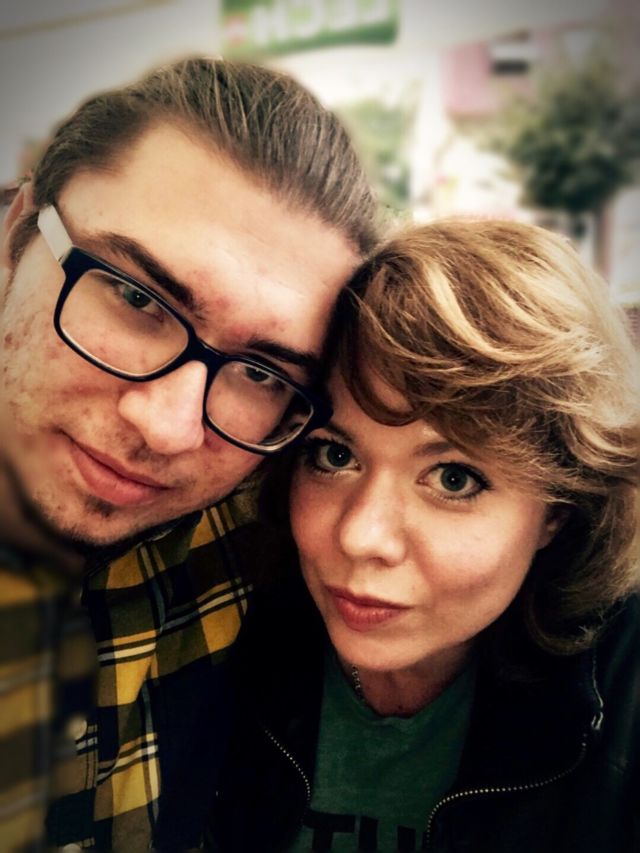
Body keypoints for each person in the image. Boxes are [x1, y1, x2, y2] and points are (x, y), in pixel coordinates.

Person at [0, 56, 379, 851]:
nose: (168, 429)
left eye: (260, 372)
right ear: (17, 233)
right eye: (138, 297)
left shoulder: (266, 531)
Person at [210, 219, 640, 852]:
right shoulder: (218, 624)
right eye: (334, 456)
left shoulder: (622, 694)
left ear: (558, 512)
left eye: (454, 479)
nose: (361, 537)